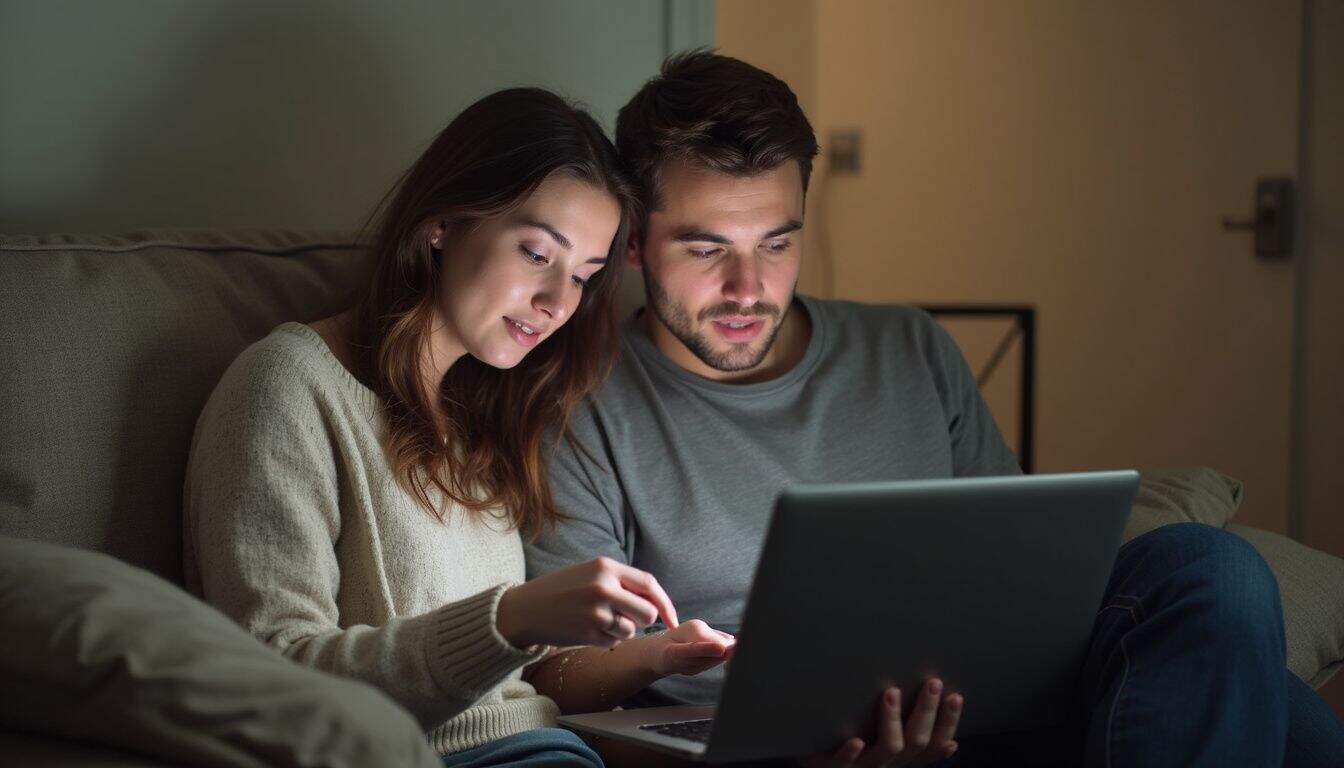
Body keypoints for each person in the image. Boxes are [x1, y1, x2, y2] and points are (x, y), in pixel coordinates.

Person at [525, 52, 1344, 767]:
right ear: (634, 242)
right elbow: (557, 671)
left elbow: (1021, 568)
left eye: (778, 243)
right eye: (707, 250)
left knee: (1212, 569)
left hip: (989, 703)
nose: (749, 289)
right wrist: (671, 654)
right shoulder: (578, 402)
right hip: (778, 742)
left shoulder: (908, 348)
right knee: (1258, 703)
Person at [183, 87, 731, 768]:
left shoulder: (482, 413)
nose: (559, 302)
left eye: (585, 277)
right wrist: (512, 616)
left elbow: (516, 685)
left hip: (550, 748)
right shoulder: (287, 387)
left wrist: (650, 656)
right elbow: (274, 684)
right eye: (536, 253)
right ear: (444, 221)